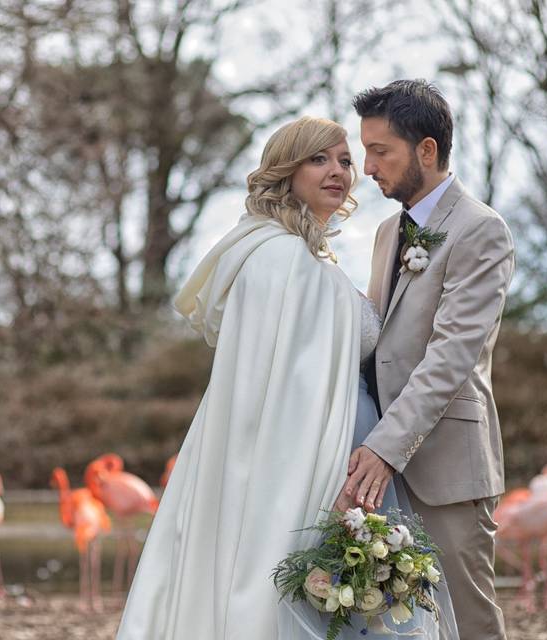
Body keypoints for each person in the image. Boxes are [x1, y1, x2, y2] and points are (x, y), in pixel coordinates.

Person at [115, 116, 455, 639]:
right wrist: (317, 483)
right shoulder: (279, 257)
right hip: (306, 464)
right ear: (287, 170)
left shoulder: (313, 256)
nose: (338, 170)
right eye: (319, 159)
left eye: (345, 160)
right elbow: (277, 395)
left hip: (351, 453)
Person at [343, 79, 514, 640]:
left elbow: (451, 357)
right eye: (365, 150)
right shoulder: (388, 231)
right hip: (379, 467)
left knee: (469, 623)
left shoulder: (482, 230)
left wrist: (384, 449)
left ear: (427, 150)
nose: (368, 167)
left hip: (446, 466)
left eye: (380, 151)